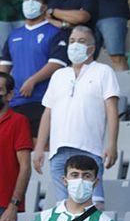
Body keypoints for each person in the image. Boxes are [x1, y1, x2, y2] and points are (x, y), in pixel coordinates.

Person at [33, 26, 119, 208]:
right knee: (64, 208)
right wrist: (39, 147)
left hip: (90, 148)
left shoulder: (103, 71)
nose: (74, 45)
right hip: (58, 152)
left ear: (92, 48)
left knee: (94, 206)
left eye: (81, 41)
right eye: (72, 41)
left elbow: (112, 110)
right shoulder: (58, 75)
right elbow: (47, 112)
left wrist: (112, 144)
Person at [0, 0, 67, 136]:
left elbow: (57, 63)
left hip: (42, 100)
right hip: (15, 101)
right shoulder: (14, 35)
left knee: (40, 146)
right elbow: (4, 66)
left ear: (44, 7)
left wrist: (32, 81)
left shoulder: (55, 33)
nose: (30, 3)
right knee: (19, 148)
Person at [0, 72, 31, 221]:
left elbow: (25, 167)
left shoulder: (18, 121)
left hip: (4, 208)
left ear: (9, 95)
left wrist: (13, 206)